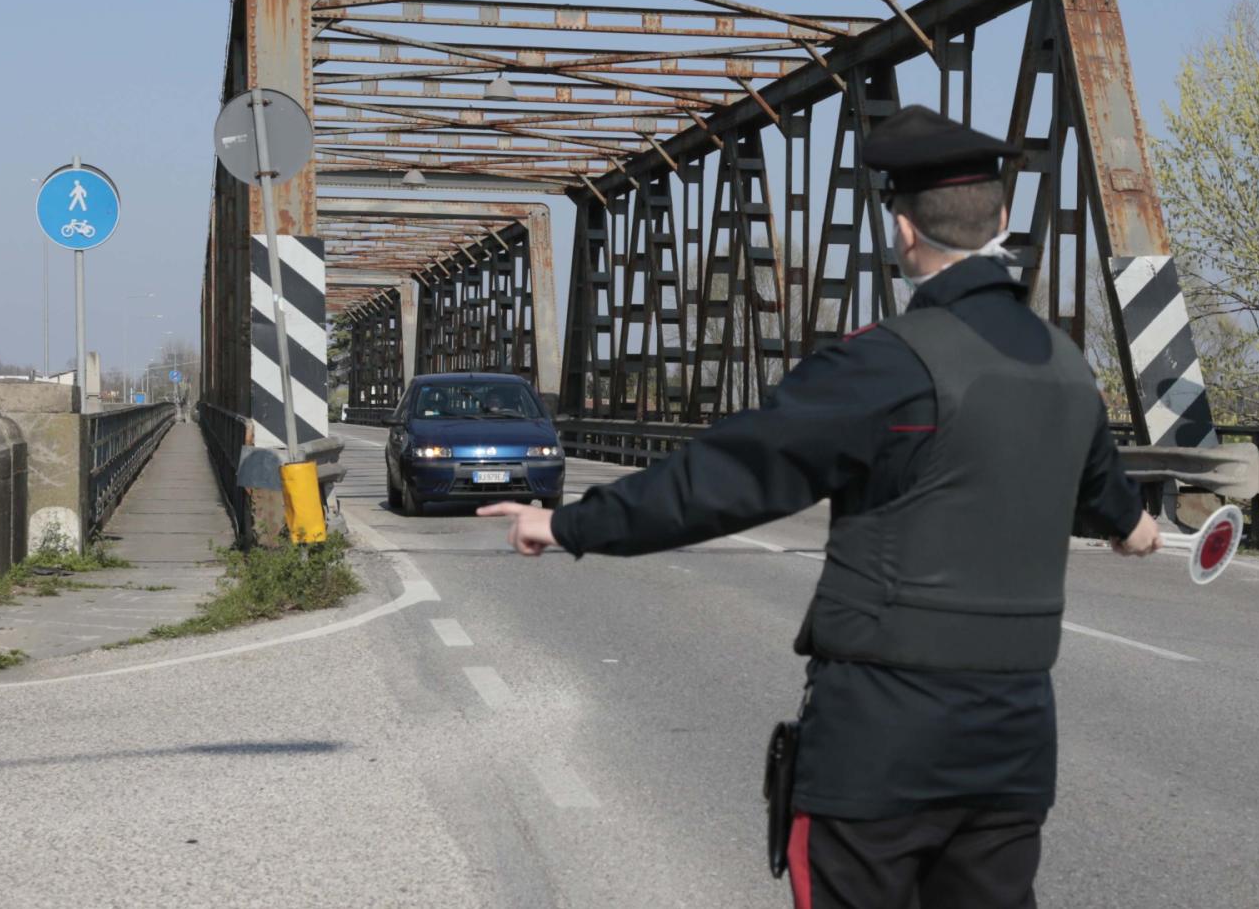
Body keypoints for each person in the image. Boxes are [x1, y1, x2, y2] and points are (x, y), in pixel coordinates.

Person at [481, 105, 1163, 909]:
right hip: (1014, 748)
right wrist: (1138, 527)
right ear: (1002, 219)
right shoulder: (1066, 370)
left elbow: (729, 475)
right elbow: (1117, 508)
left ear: (904, 232)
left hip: (882, 741)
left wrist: (563, 522)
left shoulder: (887, 365)